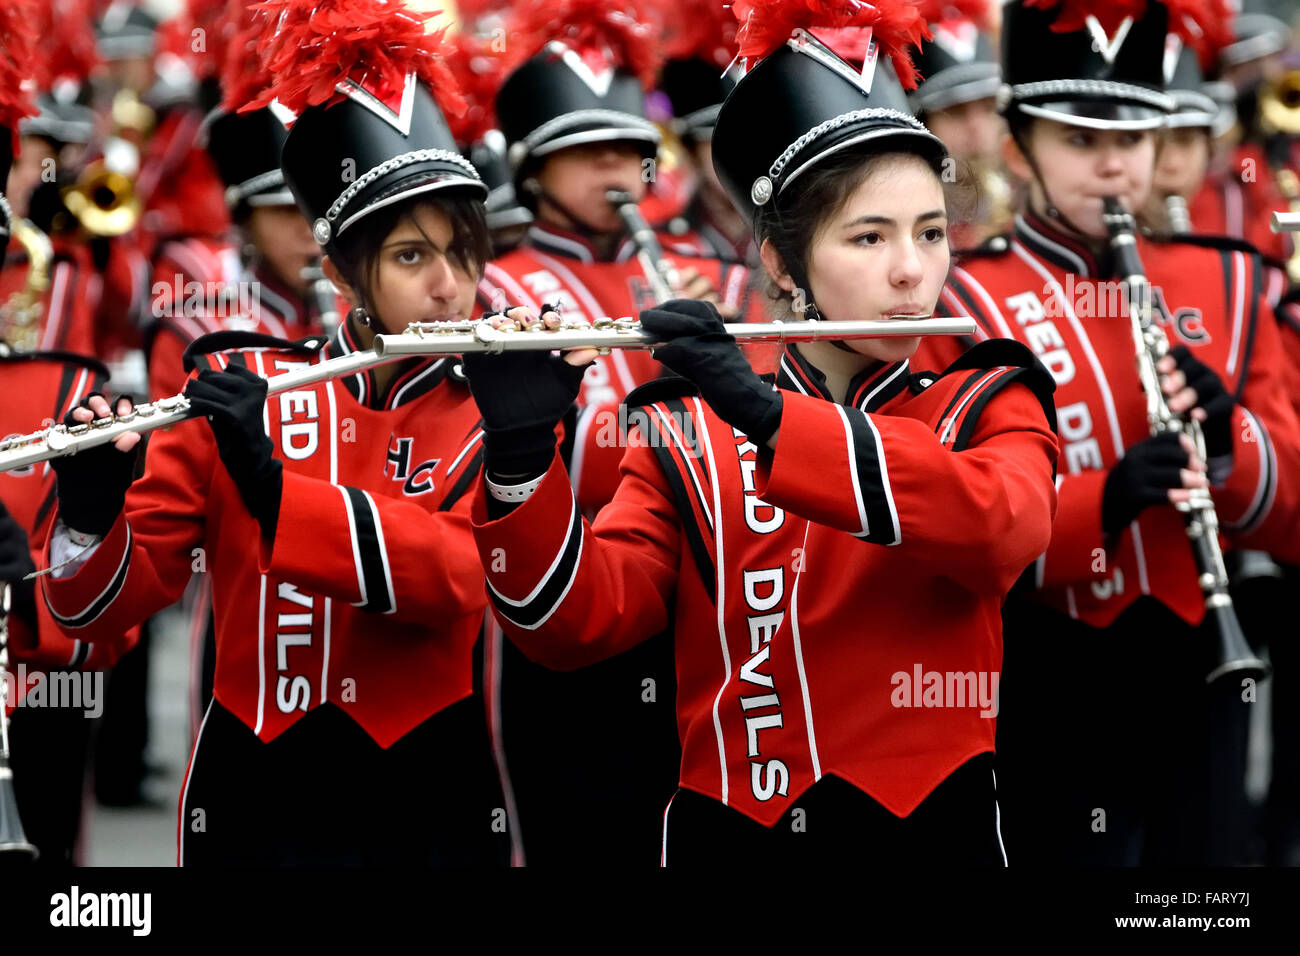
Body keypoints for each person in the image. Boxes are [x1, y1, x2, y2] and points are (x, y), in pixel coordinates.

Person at [462, 0, 1060, 864]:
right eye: (868, 236)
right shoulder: (685, 431)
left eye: (931, 232)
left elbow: (1003, 530)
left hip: (927, 837)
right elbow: (573, 625)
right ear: (781, 263)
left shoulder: (987, 395)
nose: (911, 268)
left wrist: (773, 418)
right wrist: (522, 459)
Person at [38, 0, 510, 866]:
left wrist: (276, 491)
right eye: (411, 257)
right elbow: (101, 617)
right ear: (338, 272)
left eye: (463, 253)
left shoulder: (496, 402)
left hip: (425, 790)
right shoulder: (245, 384)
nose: (450, 286)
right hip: (253, 787)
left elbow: (459, 578)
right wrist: (90, 518)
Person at [924, 0, 1300, 865]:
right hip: (1047, 666)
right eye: (1079, 142)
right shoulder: (959, 302)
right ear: (1019, 147)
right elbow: (950, 526)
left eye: (1128, 142)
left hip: (1206, 656)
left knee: (1202, 892)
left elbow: (1289, 512)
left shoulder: (1233, 285)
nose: (1110, 168)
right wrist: (1106, 497)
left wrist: (1226, 443)